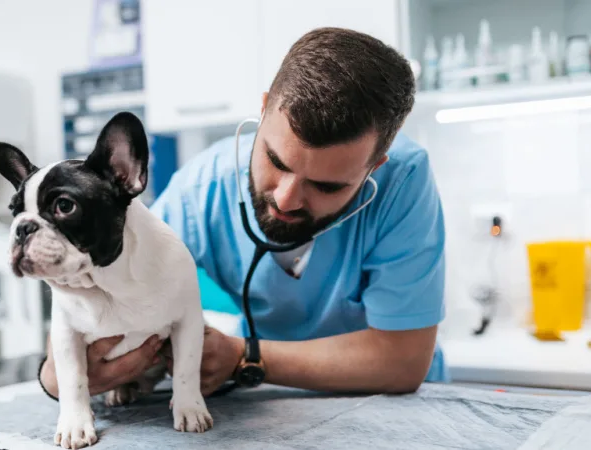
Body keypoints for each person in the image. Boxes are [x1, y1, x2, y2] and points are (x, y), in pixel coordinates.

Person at [39, 26, 447, 400]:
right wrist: (63, 368)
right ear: (264, 110)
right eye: (276, 161)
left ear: (374, 168)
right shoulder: (200, 191)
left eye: (326, 186)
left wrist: (243, 357)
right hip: (265, 406)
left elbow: (402, 360)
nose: (287, 199)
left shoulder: (404, 181)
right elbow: (99, 275)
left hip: (390, 409)